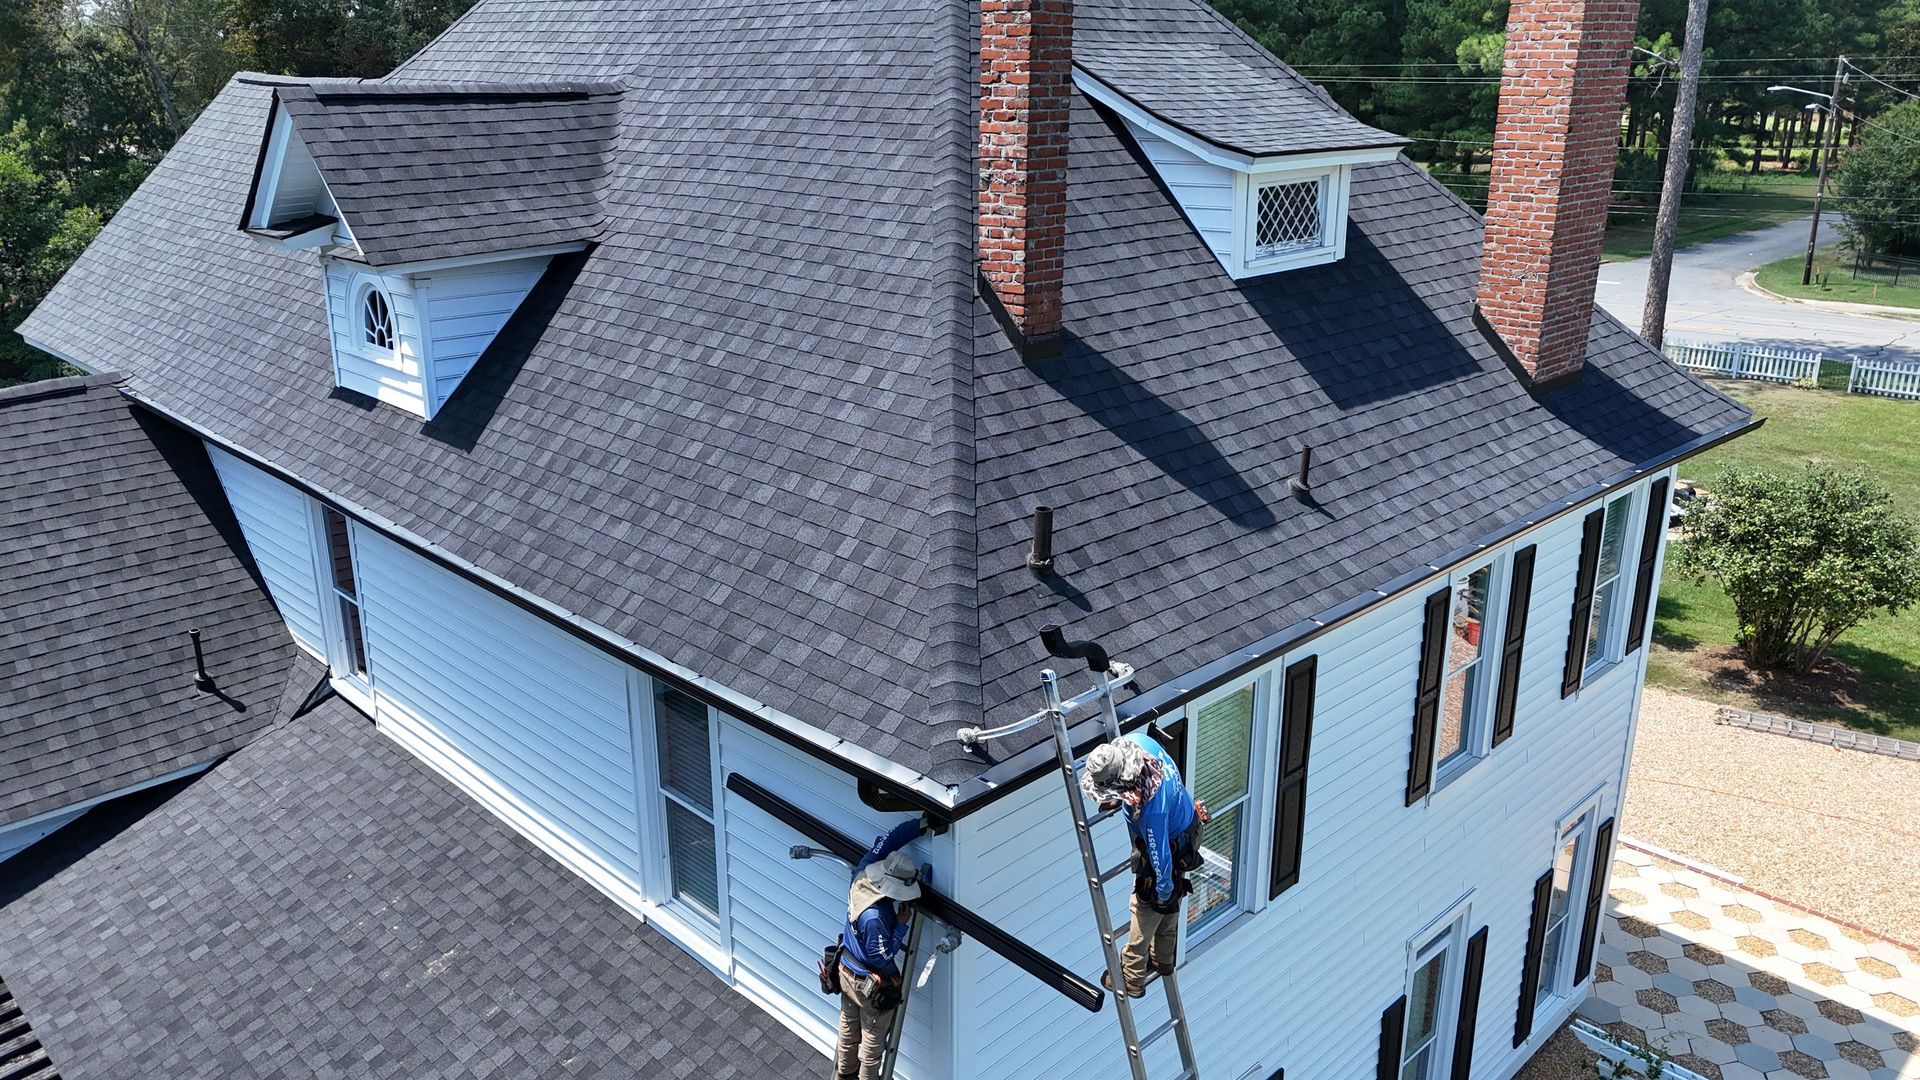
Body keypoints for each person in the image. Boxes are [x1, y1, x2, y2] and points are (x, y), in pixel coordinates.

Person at [1080, 731, 1203, 998]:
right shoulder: (1137, 742)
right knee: (1171, 893)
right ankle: (1162, 958)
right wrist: (1118, 797)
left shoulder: (1152, 813)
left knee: (1148, 903)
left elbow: (1160, 861)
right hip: (1186, 824)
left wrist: (1161, 892)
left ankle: (1132, 976)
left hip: (1172, 842)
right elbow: (1135, 783)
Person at [835, 819, 927, 1080]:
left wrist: (920, 825)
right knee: (871, 1046)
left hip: (846, 970)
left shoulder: (863, 873)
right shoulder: (874, 917)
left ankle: (843, 1074)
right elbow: (882, 955)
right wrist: (900, 927)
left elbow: (889, 840)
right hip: (868, 985)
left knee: (848, 1029)